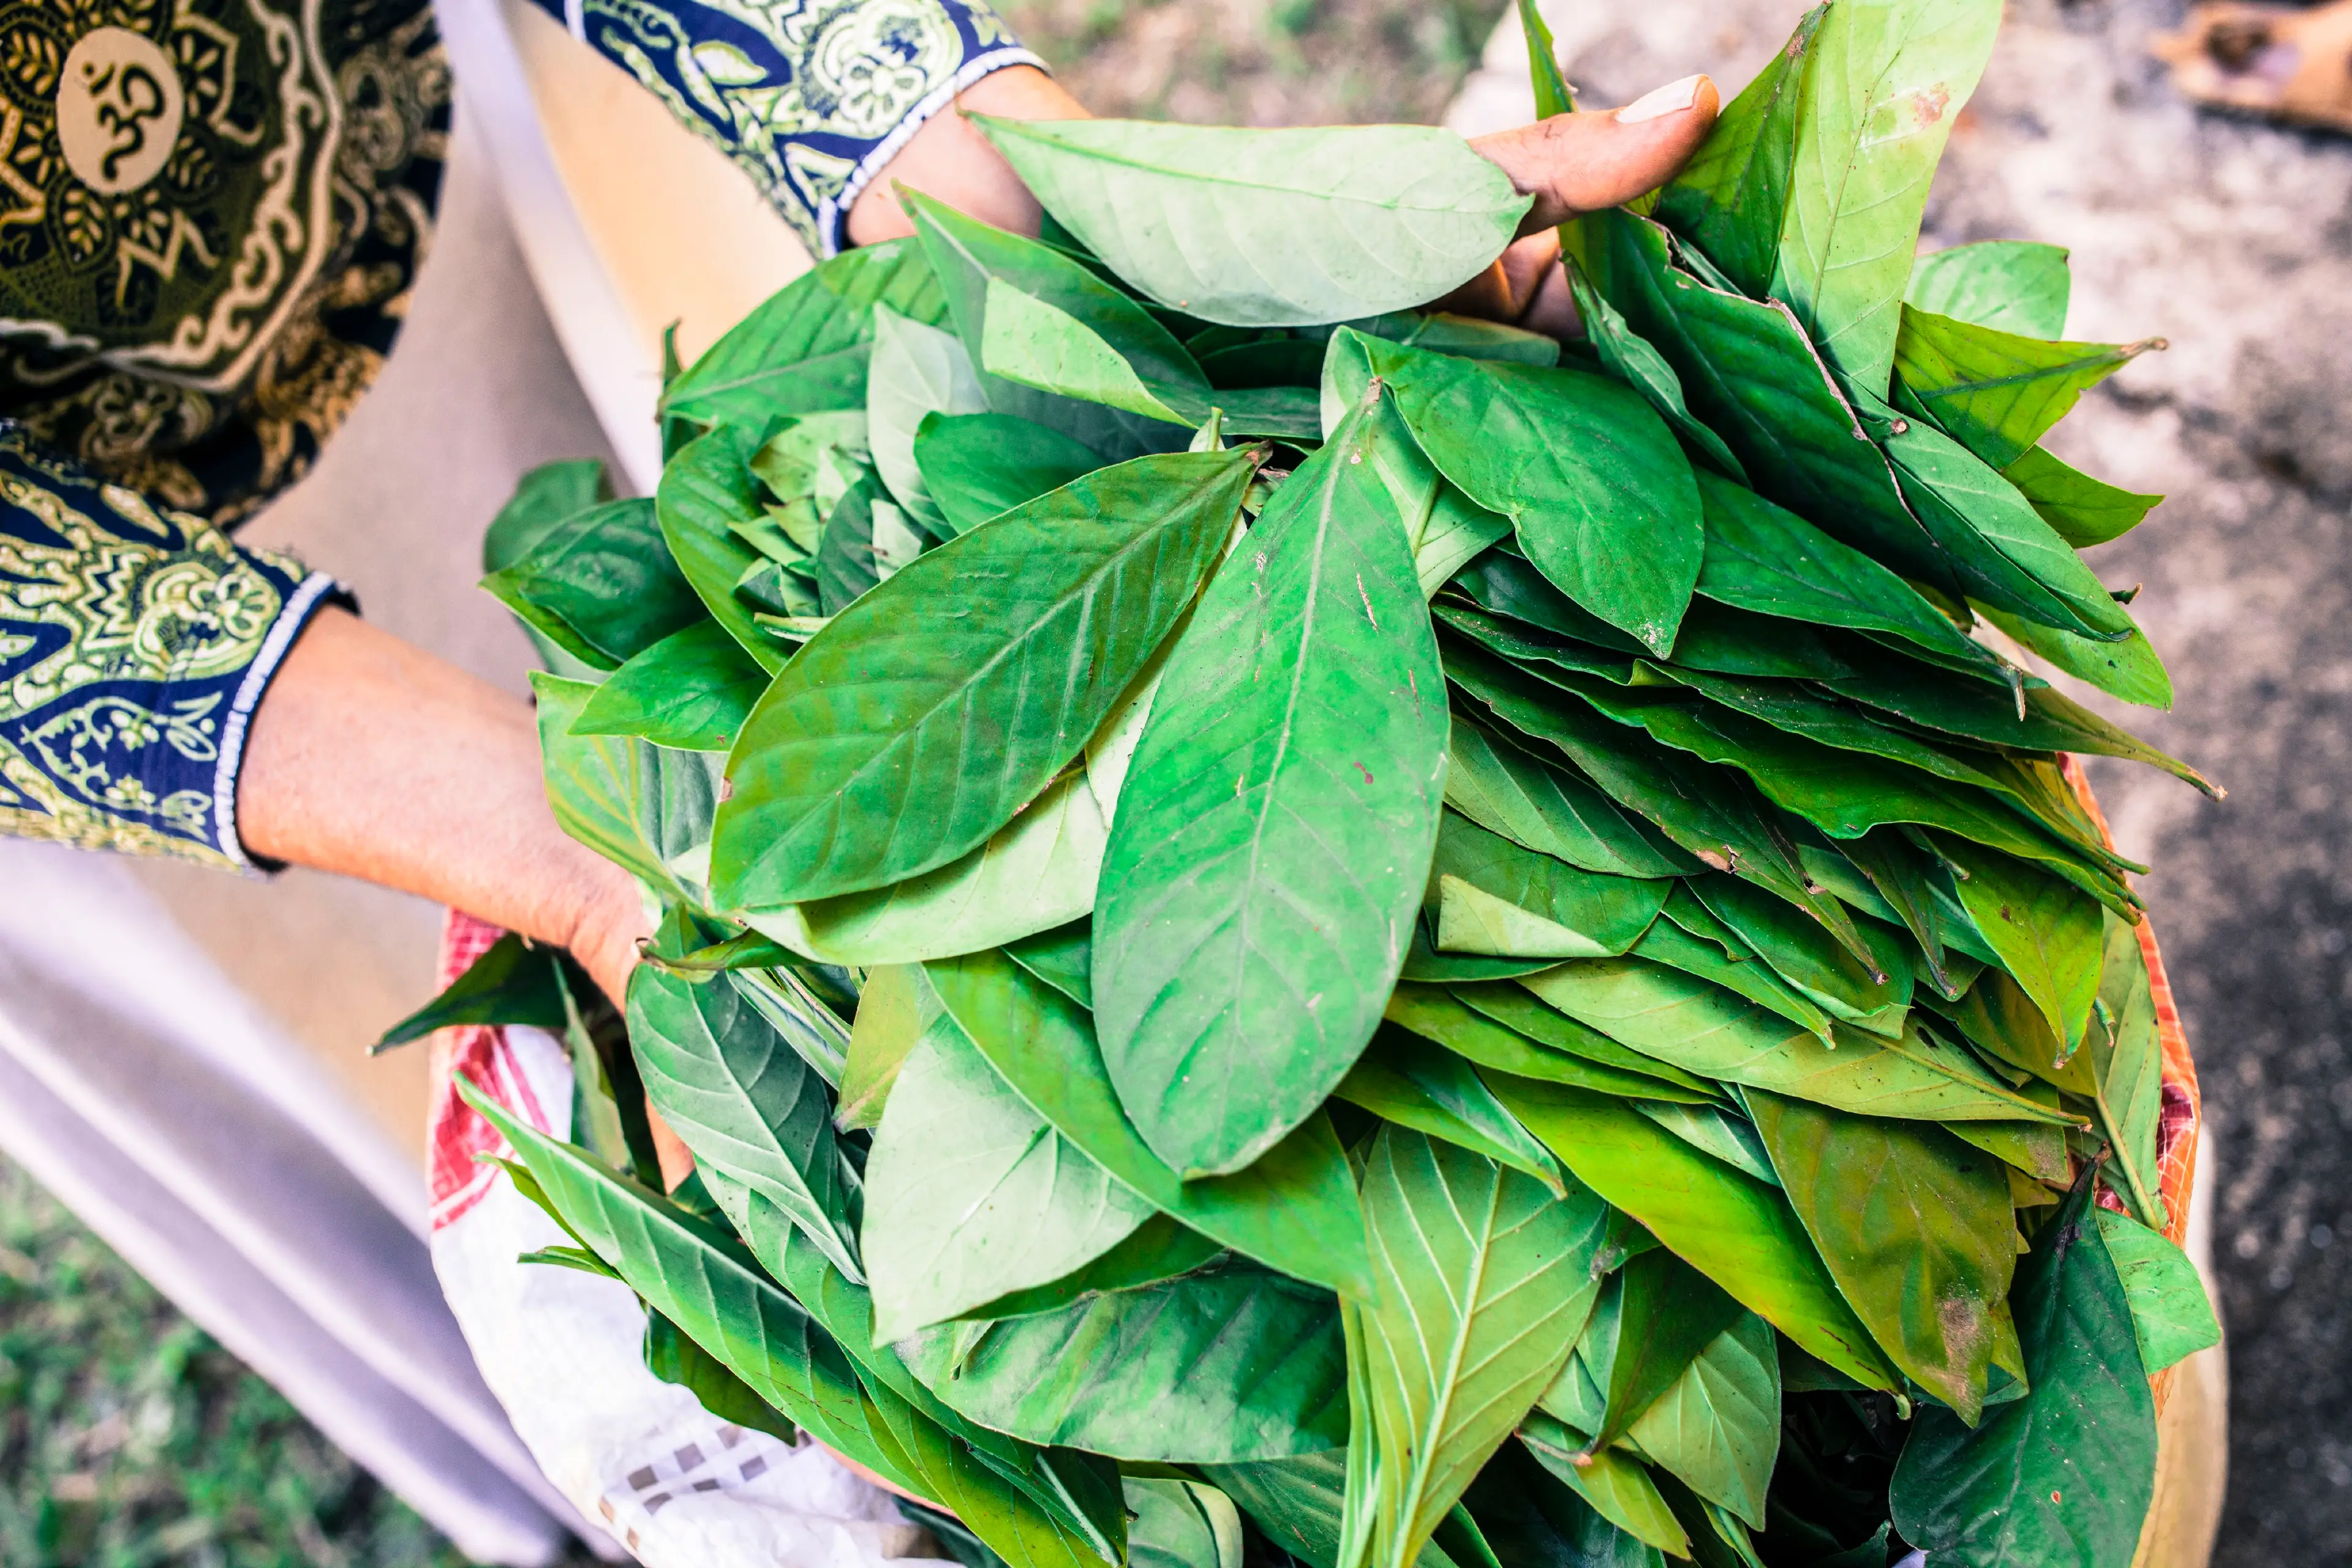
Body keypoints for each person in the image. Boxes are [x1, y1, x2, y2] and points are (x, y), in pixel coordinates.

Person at [0, 0, 1716, 1550]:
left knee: (767, 573)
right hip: (102, 672)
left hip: (413, 121)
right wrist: (587, 862)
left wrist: (1049, 218)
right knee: (469, 1071)